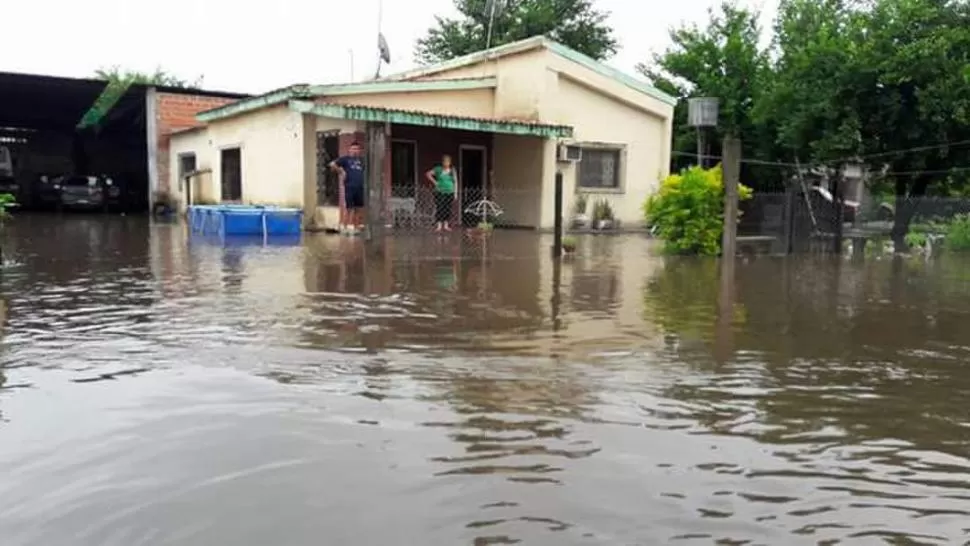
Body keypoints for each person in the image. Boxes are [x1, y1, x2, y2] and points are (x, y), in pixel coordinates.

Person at [329, 142, 365, 233]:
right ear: (349, 150)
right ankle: (344, 227)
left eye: (357, 149)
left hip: (360, 187)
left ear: (359, 150)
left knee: (358, 208)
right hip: (349, 187)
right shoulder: (345, 159)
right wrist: (341, 171)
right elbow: (332, 164)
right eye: (353, 149)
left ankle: (356, 228)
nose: (355, 151)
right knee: (349, 208)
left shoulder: (362, 160)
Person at [426, 154, 457, 232]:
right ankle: (439, 226)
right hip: (440, 191)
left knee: (447, 208)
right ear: (442, 162)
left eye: (448, 162)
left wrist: (455, 193)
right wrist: (435, 182)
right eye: (445, 162)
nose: (446, 163)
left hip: (450, 191)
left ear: (450, 163)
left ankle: (446, 225)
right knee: (440, 207)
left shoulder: (452, 170)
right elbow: (428, 174)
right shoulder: (438, 169)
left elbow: (455, 182)